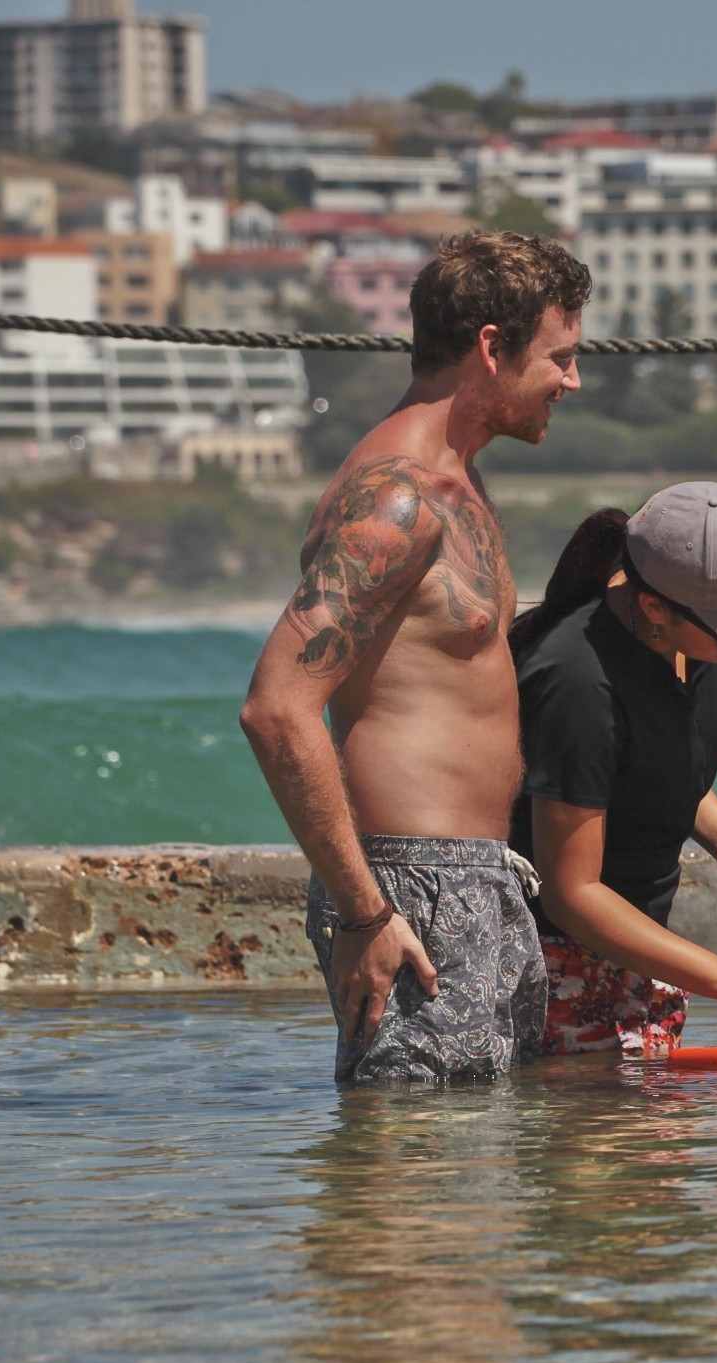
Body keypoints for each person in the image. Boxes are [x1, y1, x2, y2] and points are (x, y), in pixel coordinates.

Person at [241, 231, 590, 1082]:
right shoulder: (396, 499)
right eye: (562, 357)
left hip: (480, 877)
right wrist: (366, 913)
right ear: (490, 349)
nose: (573, 382)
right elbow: (278, 706)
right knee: (415, 1184)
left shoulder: (459, 479)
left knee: (475, 1194)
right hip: (413, 889)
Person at [510, 486, 717, 1057]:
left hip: (641, 950)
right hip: (558, 964)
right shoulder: (578, 683)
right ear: (656, 608)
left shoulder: (692, 632)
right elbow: (570, 892)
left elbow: (657, 744)